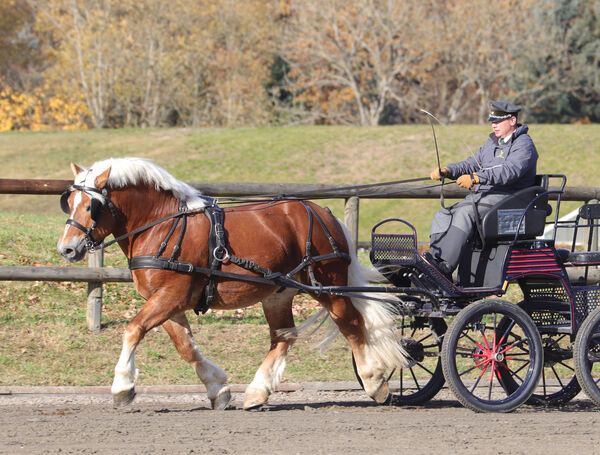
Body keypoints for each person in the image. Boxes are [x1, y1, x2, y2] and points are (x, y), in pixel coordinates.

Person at [427, 100, 538, 278]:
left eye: (498, 121)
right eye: (492, 121)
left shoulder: (524, 144)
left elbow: (509, 171)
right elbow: (472, 163)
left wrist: (477, 177)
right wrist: (448, 170)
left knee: (465, 213)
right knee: (442, 214)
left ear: (512, 121)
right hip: (487, 197)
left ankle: (445, 266)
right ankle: (434, 262)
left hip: (511, 199)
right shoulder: (492, 142)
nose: (494, 125)